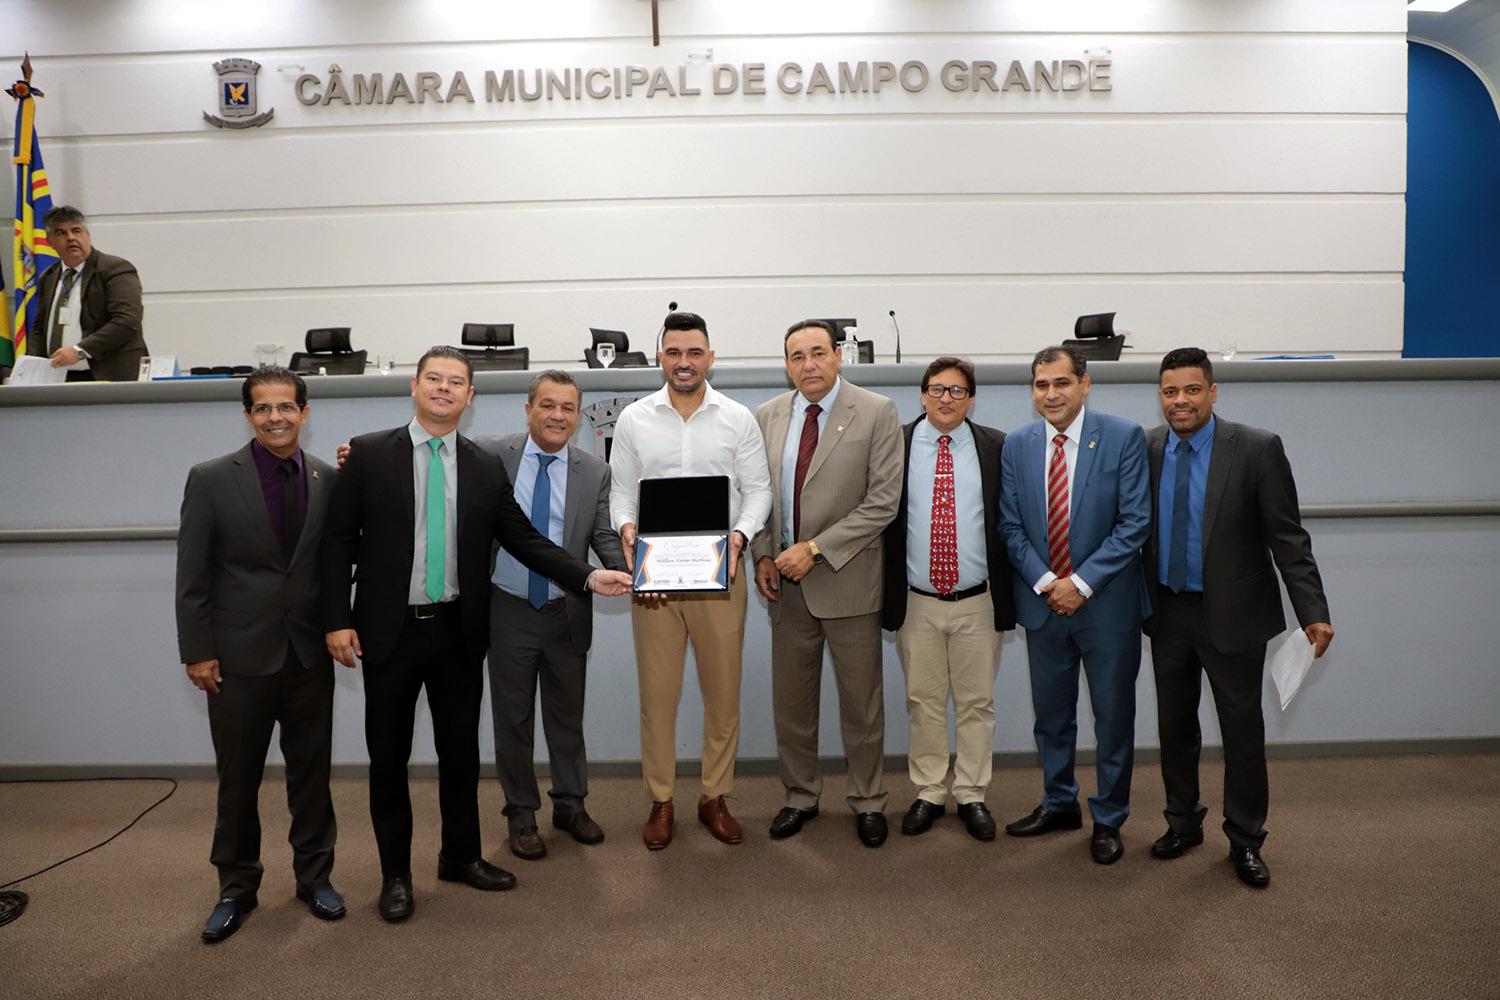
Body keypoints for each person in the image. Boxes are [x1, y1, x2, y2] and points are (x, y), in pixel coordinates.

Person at [319, 346, 630, 922]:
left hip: (458, 631)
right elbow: (338, 542)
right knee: (389, 759)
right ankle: (395, 875)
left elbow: (525, 539)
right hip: (388, 634)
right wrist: (337, 618)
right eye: (433, 379)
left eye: (455, 382)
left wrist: (589, 575)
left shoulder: (484, 465)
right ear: (415, 387)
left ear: (470, 397)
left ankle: (459, 856)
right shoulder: (367, 454)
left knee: (459, 756)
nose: (444, 389)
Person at [1144, 347, 1334, 887]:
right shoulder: (1149, 447)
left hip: (1234, 616)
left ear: (1212, 391)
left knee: (1241, 732)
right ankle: (1183, 824)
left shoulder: (1255, 448)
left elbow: (1288, 538)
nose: (1180, 401)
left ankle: (1246, 839)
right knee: (1175, 729)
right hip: (1167, 613)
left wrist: (1313, 611)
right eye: (1169, 392)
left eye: (1191, 390)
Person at [174, 366, 342, 943]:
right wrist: (197, 651)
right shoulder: (213, 478)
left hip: (307, 657)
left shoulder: (326, 477)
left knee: (312, 777)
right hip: (237, 659)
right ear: (248, 415)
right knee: (238, 781)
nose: (276, 417)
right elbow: (192, 575)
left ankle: (315, 878)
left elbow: (331, 562)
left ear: (305, 412)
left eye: (286, 407)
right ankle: (236, 888)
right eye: (264, 408)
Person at [608, 312, 772, 850]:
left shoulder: (737, 418)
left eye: (694, 352)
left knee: (722, 694)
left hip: (721, 576)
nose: (684, 362)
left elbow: (758, 492)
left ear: (710, 357)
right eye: (674, 352)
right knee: (658, 697)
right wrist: (629, 532)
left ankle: (713, 796)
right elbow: (622, 493)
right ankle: (661, 800)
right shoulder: (634, 419)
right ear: (661, 356)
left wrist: (740, 542)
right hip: (654, 580)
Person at [998, 345, 1151, 865]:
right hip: (1044, 609)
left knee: (1112, 717)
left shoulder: (1123, 436)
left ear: (1085, 385)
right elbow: (1010, 527)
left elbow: (1134, 523)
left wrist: (1079, 583)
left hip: (1105, 607)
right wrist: (1046, 582)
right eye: (1041, 385)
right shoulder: (1017, 445)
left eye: (1061, 383)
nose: (1051, 394)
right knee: (1052, 718)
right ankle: (1059, 801)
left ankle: (1109, 817)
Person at [753, 319, 903, 848]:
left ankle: (867, 800)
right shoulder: (768, 416)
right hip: (785, 588)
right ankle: (799, 796)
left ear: (838, 356)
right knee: (791, 704)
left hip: (848, 580)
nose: (809, 365)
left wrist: (815, 550)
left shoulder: (876, 411)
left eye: (818, 353)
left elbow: (882, 503)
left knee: (862, 705)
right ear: (787, 364)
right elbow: (759, 495)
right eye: (797, 356)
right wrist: (764, 554)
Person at [485, 370, 627, 860]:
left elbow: (604, 535)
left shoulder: (594, 470)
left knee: (567, 717)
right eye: (547, 405)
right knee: (513, 719)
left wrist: (634, 572)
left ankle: (570, 805)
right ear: (528, 410)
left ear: (577, 414)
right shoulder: (490, 456)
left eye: (568, 407)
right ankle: (520, 815)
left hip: (567, 610)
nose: (557, 415)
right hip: (507, 608)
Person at [881, 357, 1016, 841]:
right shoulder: (894, 445)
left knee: (978, 703)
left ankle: (972, 793)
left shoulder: (997, 447)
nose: (946, 398)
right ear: (921, 395)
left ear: (971, 399)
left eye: (957, 391)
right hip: (916, 599)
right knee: (924, 702)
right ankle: (930, 791)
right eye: (937, 389)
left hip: (979, 600)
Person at [28, 205, 148, 381]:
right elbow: (39, 331)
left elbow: (127, 321)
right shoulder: (49, 276)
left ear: (87, 235)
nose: (71, 238)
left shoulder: (115, 269)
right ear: (50, 242)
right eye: (61, 233)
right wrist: (29, 371)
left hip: (108, 376)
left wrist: (80, 351)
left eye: (76, 230)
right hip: (58, 378)